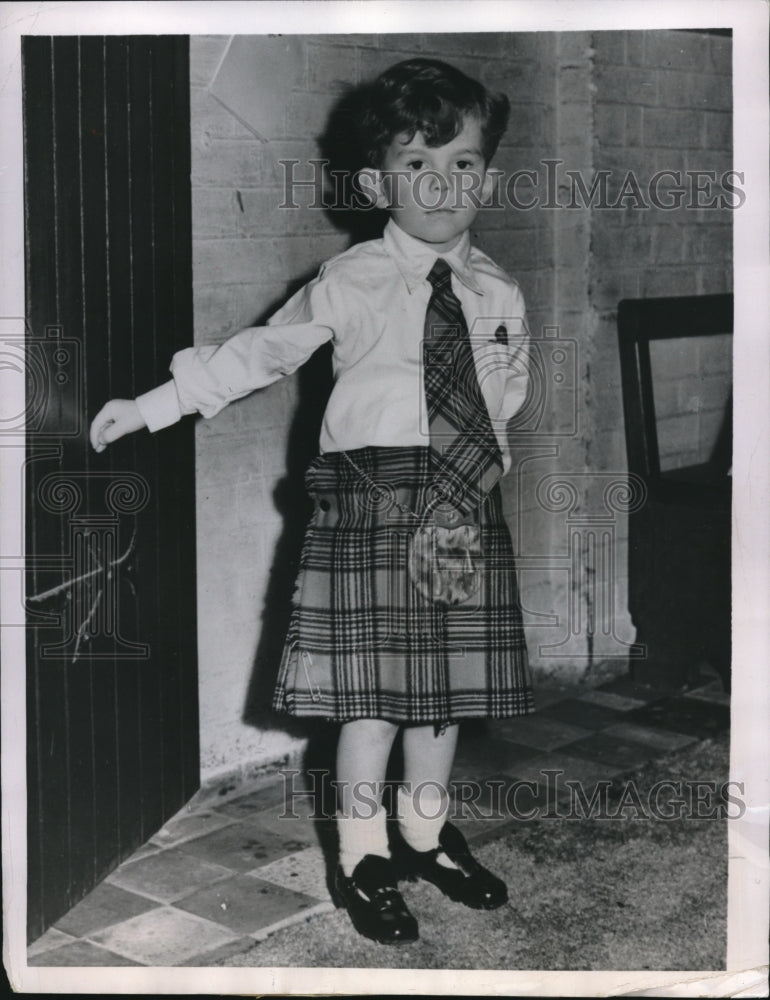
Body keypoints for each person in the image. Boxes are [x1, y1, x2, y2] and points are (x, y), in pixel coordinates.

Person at [90, 57, 535, 945]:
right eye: (418, 165)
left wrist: (481, 464)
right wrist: (151, 406)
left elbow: (506, 390)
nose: (444, 185)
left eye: (465, 163)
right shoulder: (352, 281)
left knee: (441, 698)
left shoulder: (498, 290)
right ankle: (365, 856)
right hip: (369, 505)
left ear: (488, 171)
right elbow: (259, 353)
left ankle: (425, 833)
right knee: (370, 702)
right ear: (376, 180)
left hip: (456, 507)